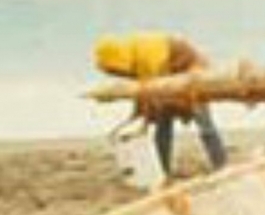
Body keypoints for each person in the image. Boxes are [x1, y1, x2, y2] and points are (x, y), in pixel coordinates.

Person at [94, 33, 227, 176]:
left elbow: (152, 91)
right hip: (166, 77)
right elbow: (142, 93)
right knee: (163, 123)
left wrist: (143, 124)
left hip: (190, 70)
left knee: (202, 119)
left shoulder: (146, 55)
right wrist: (136, 118)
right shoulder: (133, 58)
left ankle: (221, 165)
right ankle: (163, 171)